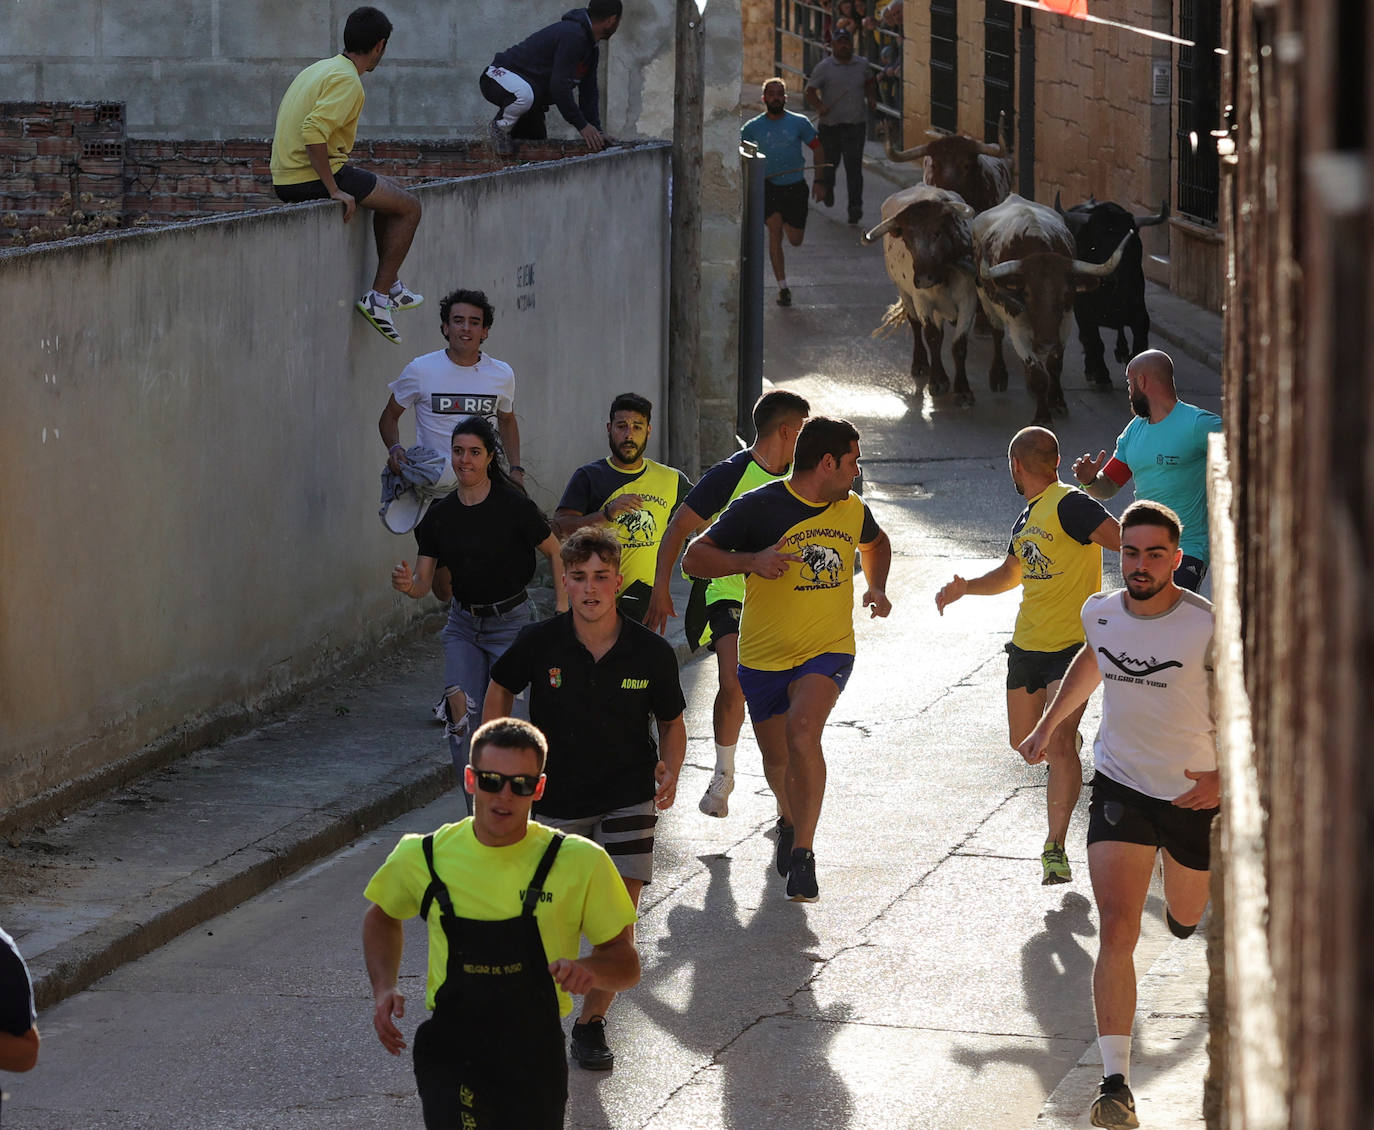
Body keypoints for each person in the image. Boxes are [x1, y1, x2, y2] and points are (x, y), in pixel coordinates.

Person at [1017, 501, 1218, 1129]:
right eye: (1130, 552)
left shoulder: (1206, 626)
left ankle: (1186, 918)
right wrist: (1050, 726)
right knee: (1118, 929)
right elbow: (1093, 659)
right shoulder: (1099, 612)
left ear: (1177, 561)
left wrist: (1225, 774)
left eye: (1154, 554)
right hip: (1121, 785)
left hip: (1194, 798)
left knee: (1185, 917)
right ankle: (1115, 1084)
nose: (1139, 565)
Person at [363, 717, 639, 1130]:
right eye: (492, 781)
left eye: (521, 784)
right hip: (452, 1051)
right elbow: (382, 916)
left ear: (539, 788)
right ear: (471, 779)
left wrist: (590, 969)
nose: (504, 796)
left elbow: (626, 963)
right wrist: (384, 985)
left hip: (534, 1056)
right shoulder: (424, 856)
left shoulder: (581, 862)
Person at [482, 527, 686, 1070]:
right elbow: (500, 688)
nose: (590, 588)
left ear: (619, 581)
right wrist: (495, 757)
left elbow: (672, 722)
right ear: (564, 583)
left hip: (629, 797)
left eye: (601, 577)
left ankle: (592, 1023)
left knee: (616, 923)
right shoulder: (540, 642)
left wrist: (672, 769)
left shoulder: (651, 651)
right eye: (578, 577)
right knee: (547, 919)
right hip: (556, 803)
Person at [683, 417, 892, 902]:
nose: (857, 471)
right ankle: (787, 816)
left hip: (828, 649)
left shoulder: (852, 508)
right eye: (854, 461)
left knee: (803, 732)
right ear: (828, 463)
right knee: (777, 760)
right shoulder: (760, 507)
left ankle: (803, 854)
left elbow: (876, 543)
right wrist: (750, 562)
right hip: (762, 658)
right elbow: (695, 558)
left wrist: (877, 586)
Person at [935, 427, 1120, 885]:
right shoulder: (1027, 518)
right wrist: (965, 589)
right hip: (1026, 647)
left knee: (1056, 743)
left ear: (1016, 465)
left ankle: (1055, 847)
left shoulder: (1073, 505)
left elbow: (1122, 539)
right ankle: (1067, 755)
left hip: (1072, 651)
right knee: (1026, 744)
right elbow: (1011, 574)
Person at [644, 389, 811, 817]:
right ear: (788, 431)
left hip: (784, 603)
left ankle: (783, 795)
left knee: (788, 698)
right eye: (805, 429)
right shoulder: (729, 475)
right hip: (729, 593)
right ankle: (724, 774)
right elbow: (678, 528)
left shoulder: (804, 477)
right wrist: (662, 589)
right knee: (733, 682)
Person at [390, 415, 566, 802]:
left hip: (513, 626)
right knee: (462, 725)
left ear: (489, 457)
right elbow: (424, 583)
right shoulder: (439, 516)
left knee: (511, 730)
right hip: (463, 628)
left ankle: (520, 813)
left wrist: (561, 611)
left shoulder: (514, 506)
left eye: (474, 452)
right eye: (458, 452)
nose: (464, 460)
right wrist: (408, 585)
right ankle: (478, 818)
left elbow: (554, 550)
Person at [270, 6, 423, 346]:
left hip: (286, 175)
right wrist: (333, 188)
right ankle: (379, 299)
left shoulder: (322, 68)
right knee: (410, 207)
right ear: (380, 46)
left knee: (390, 199)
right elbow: (313, 132)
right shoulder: (348, 80)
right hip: (306, 177)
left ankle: (392, 286)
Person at [378, 288, 524, 579]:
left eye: (474, 322)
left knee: (479, 567)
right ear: (446, 327)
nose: (465, 328)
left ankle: (473, 620)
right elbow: (389, 418)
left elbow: (507, 420)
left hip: (484, 485)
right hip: (434, 491)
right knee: (444, 584)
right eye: (458, 320)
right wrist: (395, 449)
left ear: (485, 331)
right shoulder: (421, 370)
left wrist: (516, 468)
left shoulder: (502, 374)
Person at [1072, 349, 1222, 593]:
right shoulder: (1133, 432)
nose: (1129, 392)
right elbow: (1108, 486)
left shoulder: (1198, 424)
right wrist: (1089, 480)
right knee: (1143, 624)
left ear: (1142, 381)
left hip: (1187, 550)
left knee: (1168, 624)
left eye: (1130, 383)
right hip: (1141, 550)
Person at [551, 394, 691, 623]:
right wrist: (605, 515)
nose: (629, 435)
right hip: (593, 602)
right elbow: (559, 529)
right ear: (609, 428)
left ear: (648, 430)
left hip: (644, 602)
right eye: (621, 426)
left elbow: (705, 522)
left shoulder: (672, 480)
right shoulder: (589, 476)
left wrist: (664, 588)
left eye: (637, 427)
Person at [481, 1, 623, 158]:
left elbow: (588, 92)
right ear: (612, 20)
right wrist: (582, 125)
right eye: (618, 22)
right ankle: (499, 127)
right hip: (497, 77)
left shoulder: (591, 49)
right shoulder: (573, 35)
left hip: (532, 101)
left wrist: (597, 131)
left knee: (534, 154)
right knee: (524, 95)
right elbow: (559, 87)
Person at [741, 78, 824, 307]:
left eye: (780, 94)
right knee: (774, 232)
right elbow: (740, 152)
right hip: (768, 187)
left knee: (795, 240)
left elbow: (818, 149)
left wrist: (820, 180)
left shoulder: (800, 123)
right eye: (771, 94)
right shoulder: (752, 128)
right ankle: (783, 287)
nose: (776, 97)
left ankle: (789, 222)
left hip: (795, 187)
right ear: (764, 98)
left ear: (785, 98)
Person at [804, 28, 876, 225]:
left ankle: (855, 207)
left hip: (855, 125)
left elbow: (870, 82)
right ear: (833, 45)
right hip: (830, 126)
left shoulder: (862, 64)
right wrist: (819, 106)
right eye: (840, 42)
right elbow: (809, 91)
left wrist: (871, 98)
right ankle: (828, 190)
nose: (844, 45)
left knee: (854, 168)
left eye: (847, 41)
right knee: (830, 165)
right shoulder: (824, 67)